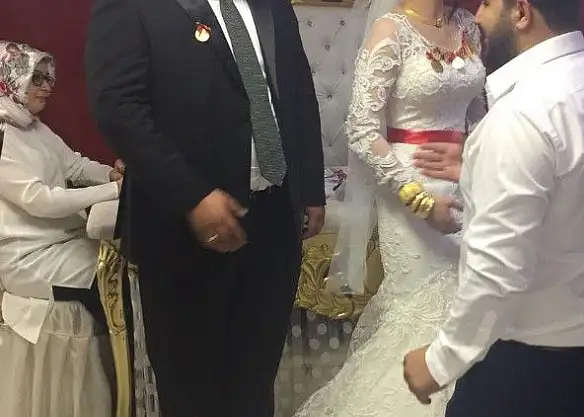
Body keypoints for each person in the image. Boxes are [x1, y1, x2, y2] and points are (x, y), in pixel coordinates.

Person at [402, 1, 584, 417]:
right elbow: (583, 198)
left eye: (488, 3)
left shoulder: (521, 115)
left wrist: (438, 363)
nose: (477, 17)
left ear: (521, 12)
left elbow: (497, 269)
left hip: (528, 365)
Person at [84, 0, 326, 415]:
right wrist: (192, 195)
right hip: (182, 227)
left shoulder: (272, 5)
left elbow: (298, 92)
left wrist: (311, 188)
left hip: (273, 219)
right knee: (191, 389)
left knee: (254, 381)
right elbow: (118, 108)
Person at [294, 0, 486, 415]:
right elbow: (362, 129)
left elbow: (477, 114)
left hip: (468, 182)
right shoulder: (390, 30)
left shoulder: (468, 27)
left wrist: (475, 160)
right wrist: (420, 199)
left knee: (469, 303)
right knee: (420, 311)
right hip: (409, 188)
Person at [0, 40, 121, 417]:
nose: (46, 86)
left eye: (47, 78)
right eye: (35, 78)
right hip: (28, 257)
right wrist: (116, 190)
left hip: (63, 242)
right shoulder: (3, 135)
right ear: (11, 79)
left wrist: (114, 174)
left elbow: (75, 166)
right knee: (112, 279)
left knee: (124, 266)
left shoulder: (33, 127)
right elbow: (39, 200)